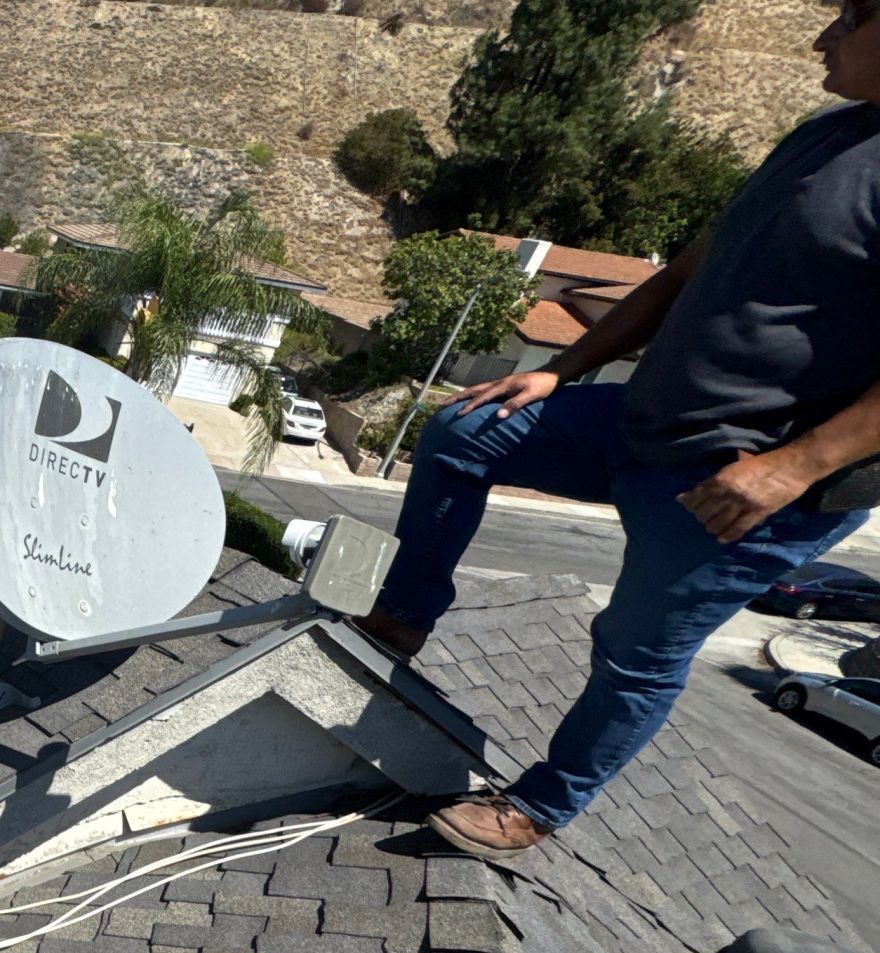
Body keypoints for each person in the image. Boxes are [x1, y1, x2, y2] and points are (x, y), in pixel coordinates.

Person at [361, 0, 880, 858]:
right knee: (466, 432)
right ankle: (405, 618)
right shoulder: (824, 137)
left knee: (633, 653)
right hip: (640, 424)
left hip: (746, 484)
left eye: (853, 19)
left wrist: (793, 468)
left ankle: (541, 805)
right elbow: (683, 273)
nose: (823, 35)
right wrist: (559, 369)